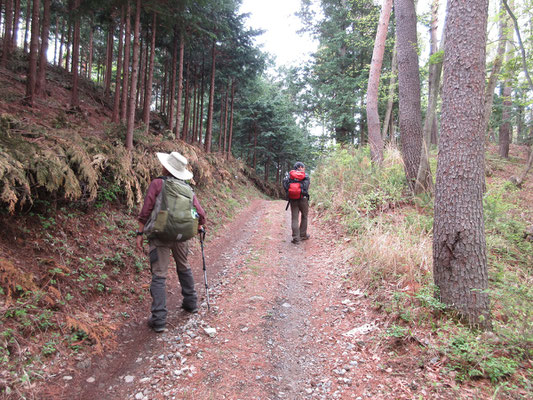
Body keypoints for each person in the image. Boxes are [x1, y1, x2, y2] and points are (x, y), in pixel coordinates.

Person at [136, 152, 206, 333]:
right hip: (181, 235)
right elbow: (200, 213)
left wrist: (139, 232)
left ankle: (159, 319)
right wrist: (200, 226)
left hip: (160, 234)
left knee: (159, 274)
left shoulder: (158, 183)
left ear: (166, 167)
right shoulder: (188, 189)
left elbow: (146, 209)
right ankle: (191, 303)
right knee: (183, 266)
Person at [283, 161, 310, 244]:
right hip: (303, 199)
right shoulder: (305, 175)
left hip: (293, 199)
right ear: (300, 167)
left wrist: (291, 192)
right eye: (303, 167)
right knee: (304, 216)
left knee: (294, 218)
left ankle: (296, 238)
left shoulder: (289, 176)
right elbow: (307, 186)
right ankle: (303, 235)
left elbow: (285, 186)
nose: (304, 169)